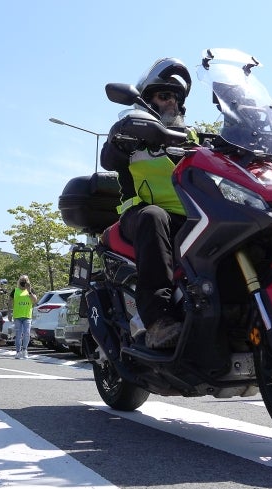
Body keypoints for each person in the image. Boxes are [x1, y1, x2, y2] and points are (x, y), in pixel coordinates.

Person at [100, 57, 195, 349]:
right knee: (154, 216)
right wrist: (120, 139)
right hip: (139, 216)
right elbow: (108, 158)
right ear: (149, 102)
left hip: (191, 216)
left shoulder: (192, 137)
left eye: (177, 98)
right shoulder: (133, 131)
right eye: (164, 95)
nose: (172, 103)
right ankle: (157, 320)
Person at [10, 274, 37, 359]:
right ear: (19, 281)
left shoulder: (30, 290)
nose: (23, 282)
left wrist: (29, 291)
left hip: (27, 315)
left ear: (27, 282)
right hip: (17, 315)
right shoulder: (15, 290)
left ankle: (24, 350)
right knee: (18, 334)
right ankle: (18, 352)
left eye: (25, 281)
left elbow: (34, 300)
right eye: (22, 281)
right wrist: (9, 312)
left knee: (27, 333)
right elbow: (10, 301)